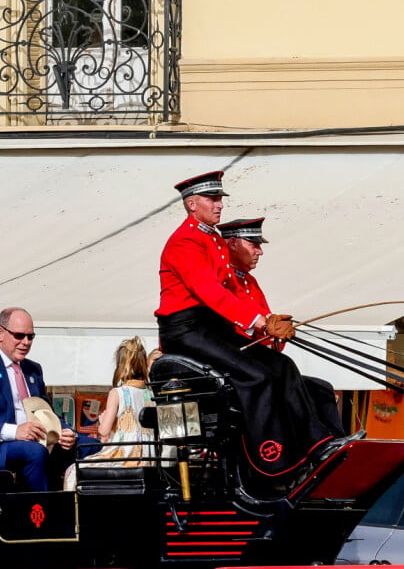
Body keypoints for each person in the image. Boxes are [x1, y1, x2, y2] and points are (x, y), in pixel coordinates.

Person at [154, 172, 357, 486]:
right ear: (192, 204)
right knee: (256, 375)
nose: (219, 205)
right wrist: (258, 321)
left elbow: (232, 293)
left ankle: (318, 445)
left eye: (220, 198)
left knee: (282, 365)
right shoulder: (185, 240)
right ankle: (270, 459)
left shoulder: (210, 239)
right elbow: (210, 291)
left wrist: (266, 326)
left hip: (210, 326)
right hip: (186, 330)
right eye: (212, 199)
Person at [217, 217, 348, 438]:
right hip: (239, 367)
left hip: (259, 361)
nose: (260, 252)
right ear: (232, 243)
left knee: (322, 388)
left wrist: (278, 333)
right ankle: (315, 442)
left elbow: (267, 327)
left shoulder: (250, 283)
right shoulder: (221, 282)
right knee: (290, 378)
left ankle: (336, 442)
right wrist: (264, 330)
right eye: (254, 244)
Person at [0, 307, 99, 492]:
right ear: (0, 334)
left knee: (91, 446)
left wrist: (64, 431)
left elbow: (47, 413)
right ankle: (40, 513)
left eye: (30, 337)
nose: (25, 342)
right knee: (32, 451)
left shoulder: (33, 370)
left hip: (37, 440)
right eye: (19, 336)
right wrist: (15, 432)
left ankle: (69, 507)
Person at [63, 336, 155, 491]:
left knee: (72, 470)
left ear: (120, 365)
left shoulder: (118, 393)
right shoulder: (150, 394)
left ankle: (74, 514)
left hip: (124, 456)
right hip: (148, 458)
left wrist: (102, 419)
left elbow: (104, 431)